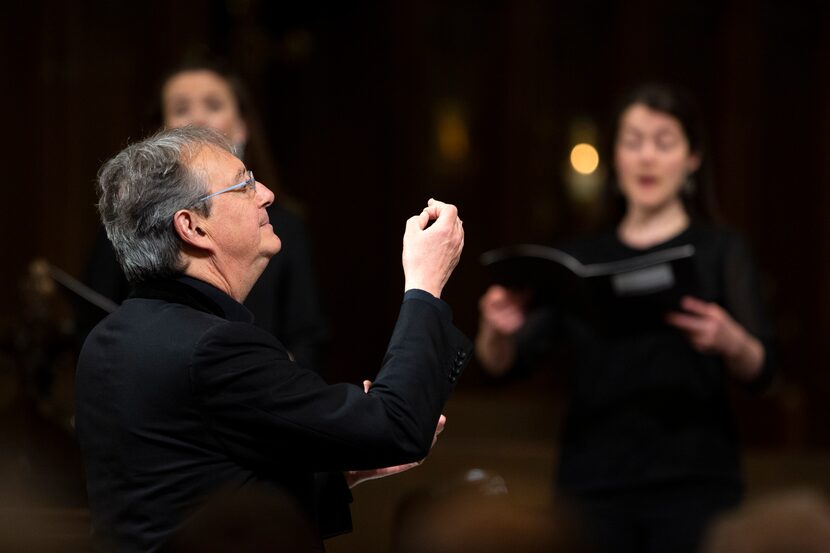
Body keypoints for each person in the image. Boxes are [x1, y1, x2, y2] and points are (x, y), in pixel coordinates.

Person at [75, 126, 470, 552]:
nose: (265, 193)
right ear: (192, 227)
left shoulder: (109, 338)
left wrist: (345, 469)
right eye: (243, 184)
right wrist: (425, 283)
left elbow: (191, 498)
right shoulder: (213, 347)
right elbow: (397, 426)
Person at [476, 83, 775, 553]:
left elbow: (764, 370)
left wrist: (730, 339)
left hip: (694, 479)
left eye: (664, 141)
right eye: (632, 141)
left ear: (693, 157)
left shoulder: (720, 249)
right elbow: (503, 365)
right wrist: (495, 329)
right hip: (593, 481)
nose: (646, 158)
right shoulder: (578, 257)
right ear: (615, 156)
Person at [80, 60, 327, 371]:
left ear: (241, 126)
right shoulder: (131, 225)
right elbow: (94, 320)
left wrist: (268, 382)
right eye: (182, 108)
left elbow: (306, 336)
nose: (197, 119)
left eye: (213, 105)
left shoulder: (282, 226)